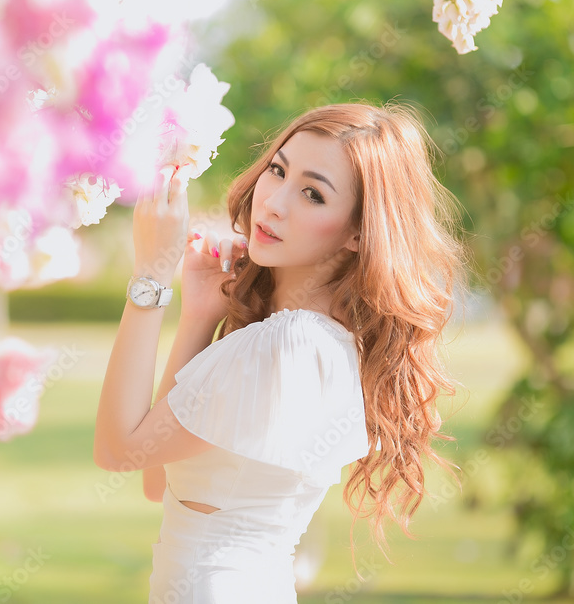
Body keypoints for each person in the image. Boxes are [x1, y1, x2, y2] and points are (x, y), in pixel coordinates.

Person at [93, 102, 468, 602]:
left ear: (359, 231)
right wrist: (199, 316)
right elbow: (157, 480)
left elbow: (119, 451)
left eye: (313, 194)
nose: (273, 203)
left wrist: (150, 277)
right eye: (278, 170)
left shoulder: (290, 344)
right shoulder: (314, 342)